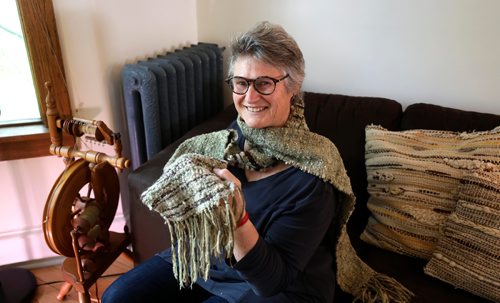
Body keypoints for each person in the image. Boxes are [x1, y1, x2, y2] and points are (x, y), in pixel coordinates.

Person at [103, 21, 411, 303]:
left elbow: (271, 280)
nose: (249, 96)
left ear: (292, 87)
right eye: (241, 82)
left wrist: (236, 216)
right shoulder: (230, 139)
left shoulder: (315, 174)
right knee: (119, 296)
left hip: (279, 285)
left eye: (264, 83)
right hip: (213, 260)